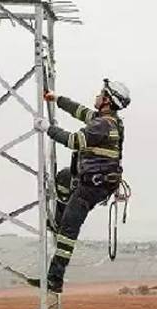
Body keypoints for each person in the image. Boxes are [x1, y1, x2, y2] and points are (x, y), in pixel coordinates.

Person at [28, 78, 130, 293]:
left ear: (107, 101)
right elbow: (80, 111)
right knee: (64, 177)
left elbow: (75, 141)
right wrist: (57, 99)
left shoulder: (103, 125)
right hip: (93, 181)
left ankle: (55, 279)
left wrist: (48, 128)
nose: (97, 95)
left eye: (102, 93)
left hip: (92, 187)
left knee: (69, 230)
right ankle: (57, 221)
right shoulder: (107, 120)